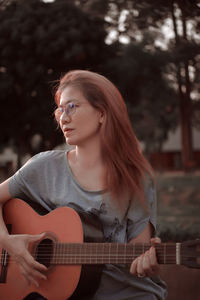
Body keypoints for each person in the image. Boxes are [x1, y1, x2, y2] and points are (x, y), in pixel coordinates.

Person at [0, 70, 167, 300]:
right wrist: (8, 243)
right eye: (60, 109)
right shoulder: (44, 167)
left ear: (102, 113)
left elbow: (138, 254)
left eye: (72, 107)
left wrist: (147, 262)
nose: (63, 118)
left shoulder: (135, 177)